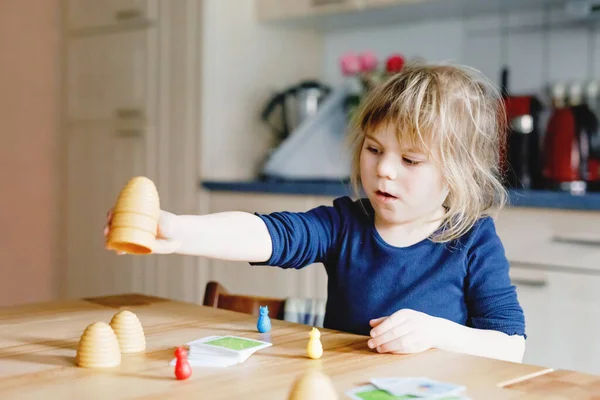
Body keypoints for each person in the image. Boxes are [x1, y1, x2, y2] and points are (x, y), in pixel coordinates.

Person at [104, 62, 526, 363]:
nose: (384, 169)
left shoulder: (473, 240)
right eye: (374, 149)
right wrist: (179, 231)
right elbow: (270, 235)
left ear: (457, 173)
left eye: (411, 160)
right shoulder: (346, 224)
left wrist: (437, 333)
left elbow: (511, 344)